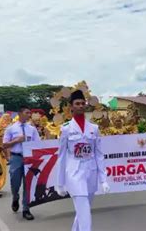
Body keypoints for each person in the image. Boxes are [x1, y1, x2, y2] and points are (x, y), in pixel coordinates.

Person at [56, 90, 110, 231]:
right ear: (71, 107)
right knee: (84, 210)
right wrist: (60, 183)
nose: (80, 106)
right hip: (74, 173)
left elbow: (99, 154)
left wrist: (103, 179)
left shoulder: (94, 128)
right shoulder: (66, 129)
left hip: (90, 172)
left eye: (82, 103)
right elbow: (61, 156)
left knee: (82, 211)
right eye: (77, 104)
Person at [3, 106, 41, 220]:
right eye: (27, 112)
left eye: (30, 113)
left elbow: (37, 144)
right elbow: (4, 145)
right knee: (15, 183)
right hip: (16, 158)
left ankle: (26, 209)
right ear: (20, 113)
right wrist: (16, 140)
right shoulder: (10, 129)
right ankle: (15, 197)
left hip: (29, 159)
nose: (29, 115)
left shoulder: (32, 129)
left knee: (28, 184)